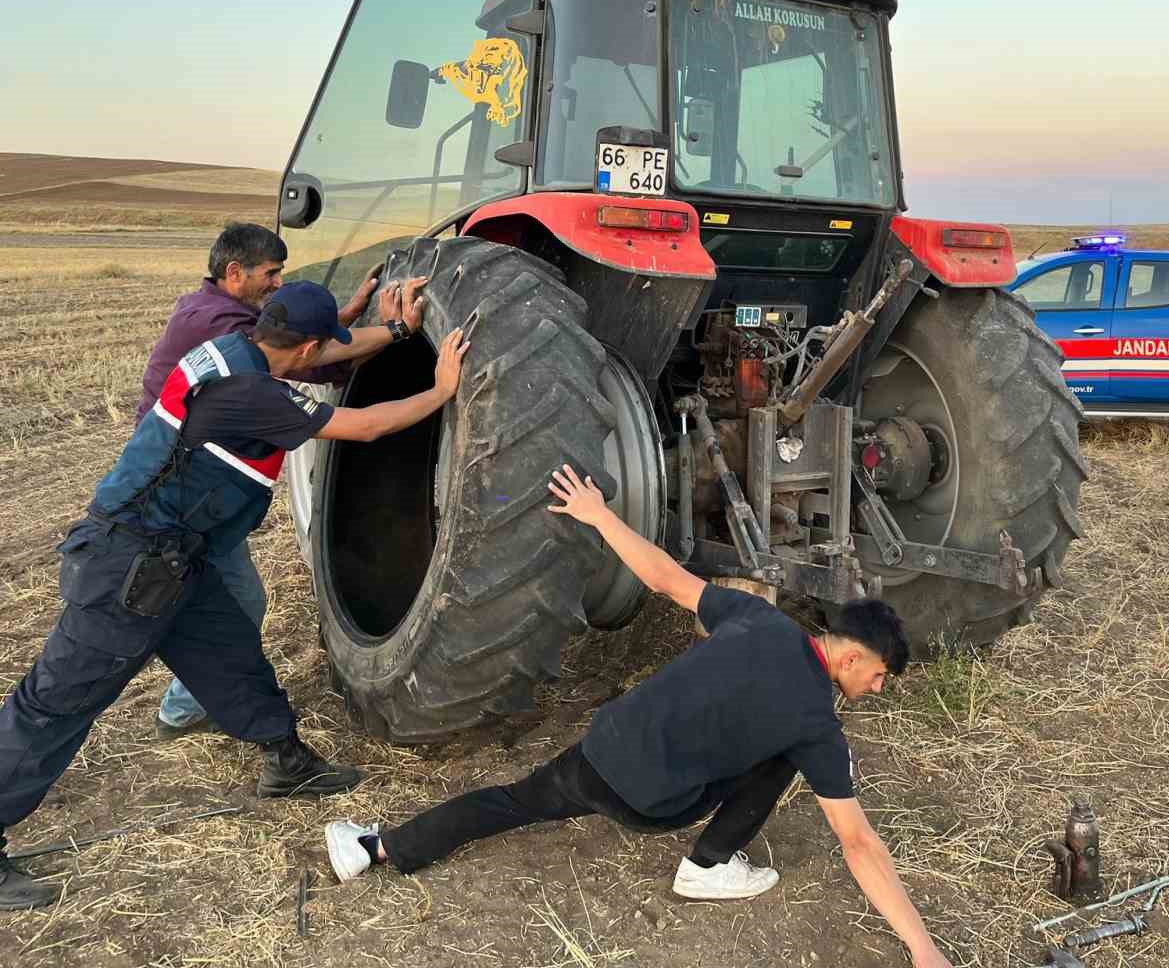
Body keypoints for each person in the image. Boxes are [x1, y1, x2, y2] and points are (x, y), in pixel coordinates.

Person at [324, 465, 955, 968]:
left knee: (510, 802)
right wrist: (922, 948)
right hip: (656, 805)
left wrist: (599, 514)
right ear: (852, 653)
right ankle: (707, 866)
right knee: (786, 752)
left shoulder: (759, 618)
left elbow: (664, 578)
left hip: (603, 751)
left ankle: (375, 848)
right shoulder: (819, 726)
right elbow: (859, 843)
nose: (875, 689)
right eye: (876, 675)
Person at [0, 282, 471, 911]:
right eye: (322, 347)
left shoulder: (231, 349)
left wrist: (395, 330)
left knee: (230, 657)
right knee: (55, 702)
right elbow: (364, 427)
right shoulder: (253, 395)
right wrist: (441, 390)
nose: (327, 354)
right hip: (128, 568)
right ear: (304, 347)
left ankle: (287, 761)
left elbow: (334, 348)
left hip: (172, 559)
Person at [135, 222, 424, 739]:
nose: (276, 283)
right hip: (179, 493)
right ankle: (186, 709)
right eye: (271, 275)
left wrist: (342, 318)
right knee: (212, 601)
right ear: (233, 272)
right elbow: (334, 383)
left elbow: (298, 347)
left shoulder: (218, 315)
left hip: (191, 489)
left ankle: (186, 705)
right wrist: (398, 334)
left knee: (221, 598)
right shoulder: (220, 323)